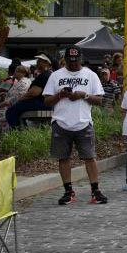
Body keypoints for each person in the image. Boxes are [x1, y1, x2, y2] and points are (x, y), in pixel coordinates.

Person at [43, 46, 107, 204]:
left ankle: (95, 190)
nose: (73, 64)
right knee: (63, 158)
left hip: (83, 123)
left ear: (81, 59)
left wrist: (83, 95)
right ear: (65, 60)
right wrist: (60, 95)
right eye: (70, 62)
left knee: (89, 157)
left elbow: (100, 100)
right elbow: (46, 101)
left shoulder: (90, 75)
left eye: (76, 61)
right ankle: (68, 191)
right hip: (61, 122)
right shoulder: (55, 76)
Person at [5, 53, 53, 128]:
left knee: (11, 111)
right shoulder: (50, 74)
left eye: (40, 61)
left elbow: (34, 93)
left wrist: (21, 99)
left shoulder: (45, 75)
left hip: (40, 103)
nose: (37, 63)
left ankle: (17, 132)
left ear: (47, 63)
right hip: (47, 104)